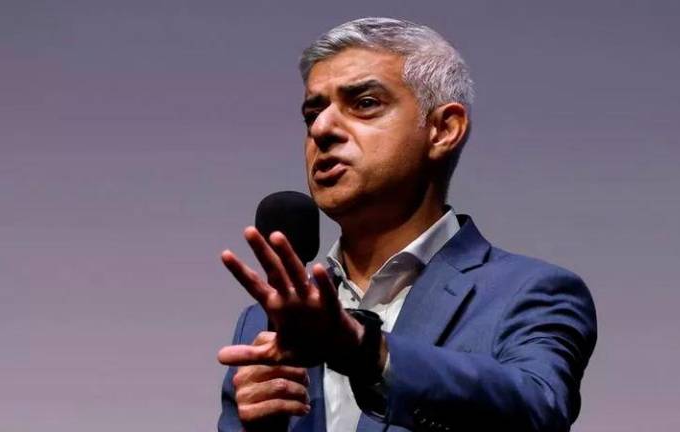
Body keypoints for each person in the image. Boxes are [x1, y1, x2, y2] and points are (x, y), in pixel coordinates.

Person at [217, 17, 597, 432]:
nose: (322, 129)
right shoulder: (265, 319)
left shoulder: (531, 293)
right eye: (313, 112)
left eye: (364, 103)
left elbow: (538, 408)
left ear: (443, 130)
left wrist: (366, 353)